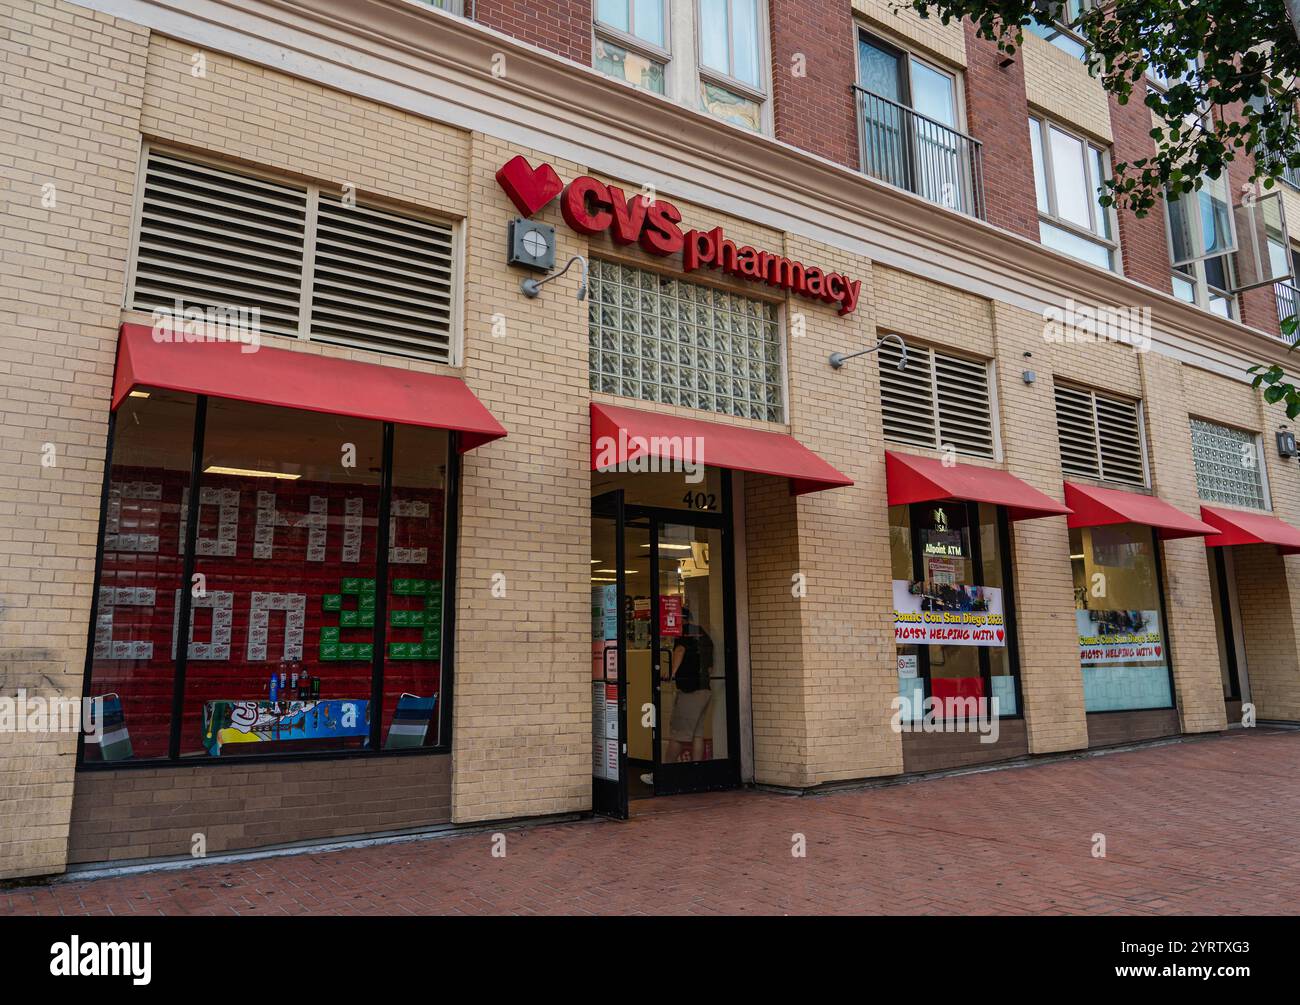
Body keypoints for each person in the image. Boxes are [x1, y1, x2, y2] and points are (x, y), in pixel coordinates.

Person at [665, 607, 714, 765]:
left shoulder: (683, 633)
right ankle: (696, 770)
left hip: (690, 691)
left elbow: (679, 651)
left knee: (678, 734)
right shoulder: (702, 633)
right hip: (705, 689)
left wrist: (672, 673)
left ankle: (666, 771)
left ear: (680, 619)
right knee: (697, 734)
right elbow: (710, 665)